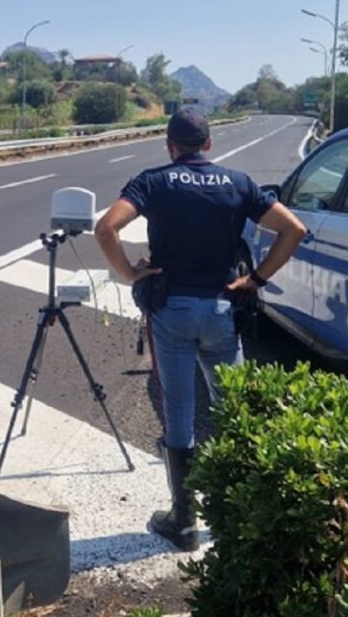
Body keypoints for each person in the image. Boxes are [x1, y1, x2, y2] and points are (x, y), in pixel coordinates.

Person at [94, 108, 307, 550]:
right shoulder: (238, 183)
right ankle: (240, 513)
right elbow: (293, 229)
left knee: (179, 413)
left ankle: (184, 521)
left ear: (170, 147)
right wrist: (256, 279)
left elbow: (106, 228)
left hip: (171, 310)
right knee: (234, 409)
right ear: (209, 144)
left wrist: (130, 274)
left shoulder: (153, 181)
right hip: (222, 309)